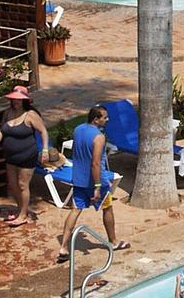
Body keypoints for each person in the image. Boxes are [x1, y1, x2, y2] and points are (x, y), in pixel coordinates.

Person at [56, 106, 129, 263]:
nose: (107, 119)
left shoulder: (78, 129)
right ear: (96, 119)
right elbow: (95, 163)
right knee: (107, 208)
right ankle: (114, 242)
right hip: (96, 181)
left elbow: (78, 152)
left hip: (78, 178)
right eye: (105, 117)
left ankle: (63, 246)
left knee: (75, 210)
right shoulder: (99, 137)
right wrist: (97, 187)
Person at [0, 86, 49, 227]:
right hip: (10, 156)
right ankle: (21, 209)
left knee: (22, 185)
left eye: (18, 100)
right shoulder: (7, 113)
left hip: (27, 155)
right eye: (13, 99)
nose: (15, 102)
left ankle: (23, 215)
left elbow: (43, 131)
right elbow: (2, 131)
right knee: (13, 185)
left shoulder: (30, 115)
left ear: (24, 100)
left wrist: (45, 150)